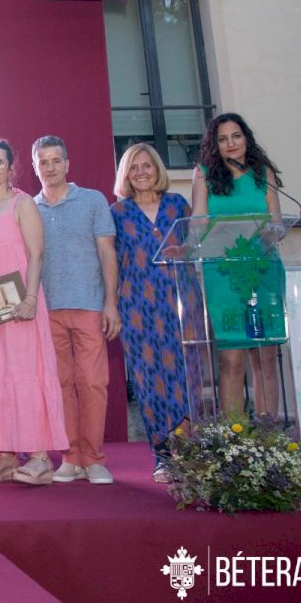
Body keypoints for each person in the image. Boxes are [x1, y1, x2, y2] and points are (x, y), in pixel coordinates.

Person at [0, 139, 68, 485]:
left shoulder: (23, 204)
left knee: (25, 373)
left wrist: (31, 298)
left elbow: (37, 254)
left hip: (21, 304)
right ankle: (6, 454)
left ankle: (39, 456)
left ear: (11, 168)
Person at [31, 135, 119, 485]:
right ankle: (70, 457)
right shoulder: (30, 208)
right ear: (35, 167)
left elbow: (107, 253)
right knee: (61, 385)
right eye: (43, 162)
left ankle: (94, 459)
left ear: (67, 164)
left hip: (89, 306)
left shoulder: (93, 200)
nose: (50, 167)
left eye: (56, 160)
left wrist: (111, 303)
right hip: (48, 311)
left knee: (93, 383)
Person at [191, 113, 285, 418]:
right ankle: (235, 435)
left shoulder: (263, 173)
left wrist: (270, 233)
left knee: (265, 357)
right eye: (222, 139)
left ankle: (268, 434)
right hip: (223, 273)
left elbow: (277, 223)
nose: (230, 143)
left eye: (236, 136)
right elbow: (197, 224)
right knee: (231, 358)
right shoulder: (203, 174)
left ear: (246, 138)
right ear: (214, 145)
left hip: (262, 270)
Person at [111, 142, 192, 482]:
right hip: (137, 307)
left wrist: (186, 250)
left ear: (157, 169)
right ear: (126, 174)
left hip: (180, 301)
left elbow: (195, 246)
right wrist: (111, 305)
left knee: (183, 376)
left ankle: (188, 451)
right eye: (134, 167)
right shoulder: (117, 212)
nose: (141, 172)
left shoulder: (178, 205)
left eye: (147, 165)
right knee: (148, 378)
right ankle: (163, 455)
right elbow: (112, 263)